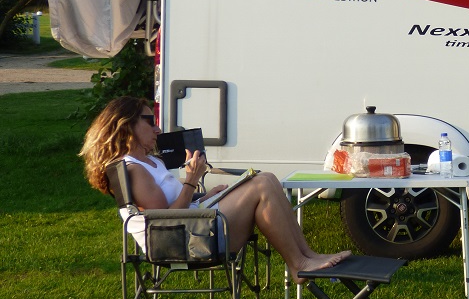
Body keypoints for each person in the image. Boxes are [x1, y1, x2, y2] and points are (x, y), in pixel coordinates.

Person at [81, 96, 350, 281]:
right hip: (186, 241)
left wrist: (204, 195)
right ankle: (298, 264)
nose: (157, 128)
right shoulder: (133, 169)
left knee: (267, 179)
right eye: (149, 121)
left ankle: (307, 256)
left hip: (195, 225)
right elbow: (165, 218)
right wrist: (191, 179)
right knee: (262, 186)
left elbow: (175, 204)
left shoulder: (150, 161)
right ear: (126, 124)